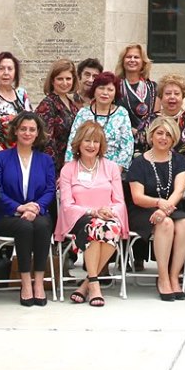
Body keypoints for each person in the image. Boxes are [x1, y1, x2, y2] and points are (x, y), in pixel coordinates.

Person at [57, 120, 128, 307]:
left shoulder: (111, 167)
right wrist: (93, 211)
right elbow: (66, 205)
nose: (91, 145)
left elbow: (119, 201)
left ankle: (89, 282)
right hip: (79, 218)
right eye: (87, 140)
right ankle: (94, 286)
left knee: (109, 228)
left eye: (96, 141)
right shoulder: (68, 169)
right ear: (79, 143)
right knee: (96, 227)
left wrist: (108, 212)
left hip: (107, 218)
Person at [0, 111, 57, 307]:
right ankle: (25, 282)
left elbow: (50, 189)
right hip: (7, 214)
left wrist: (36, 207)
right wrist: (19, 207)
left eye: (32, 129)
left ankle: (39, 281)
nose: (27, 133)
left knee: (43, 226)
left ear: (38, 133)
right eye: (23, 129)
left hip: (37, 211)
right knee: (24, 227)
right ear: (16, 131)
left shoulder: (45, 160)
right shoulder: (1, 158)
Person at [127, 116, 185, 300]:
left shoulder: (180, 161)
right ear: (151, 135)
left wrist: (164, 208)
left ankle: (175, 276)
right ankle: (163, 277)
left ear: (174, 139)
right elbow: (137, 197)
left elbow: (179, 190)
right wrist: (158, 204)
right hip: (142, 209)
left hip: (170, 206)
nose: (163, 138)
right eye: (159, 133)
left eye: (168, 135)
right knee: (165, 224)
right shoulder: (139, 162)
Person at [140, 74, 185, 166]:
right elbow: (139, 150)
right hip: (153, 174)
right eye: (168, 93)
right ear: (161, 97)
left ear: (183, 97)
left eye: (177, 94)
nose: (172, 97)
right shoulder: (149, 120)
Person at [69, 72, 135, 166]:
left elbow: (127, 146)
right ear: (94, 90)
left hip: (112, 169)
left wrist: (116, 171)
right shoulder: (83, 113)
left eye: (110, 89)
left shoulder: (121, 114)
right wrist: (71, 167)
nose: (105, 93)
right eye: (101, 88)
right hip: (83, 168)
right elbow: (72, 142)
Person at [36, 60, 83, 164]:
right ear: (52, 81)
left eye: (68, 79)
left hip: (71, 163)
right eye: (60, 79)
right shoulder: (47, 105)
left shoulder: (72, 104)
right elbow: (45, 141)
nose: (65, 83)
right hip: (54, 166)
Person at [116, 43, 157, 132]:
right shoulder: (115, 86)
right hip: (124, 137)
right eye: (128, 57)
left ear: (143, 62)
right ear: (123, 61)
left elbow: (157, 116)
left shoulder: (153, 87)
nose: (132, 60)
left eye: (136, 57)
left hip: (148, 138)